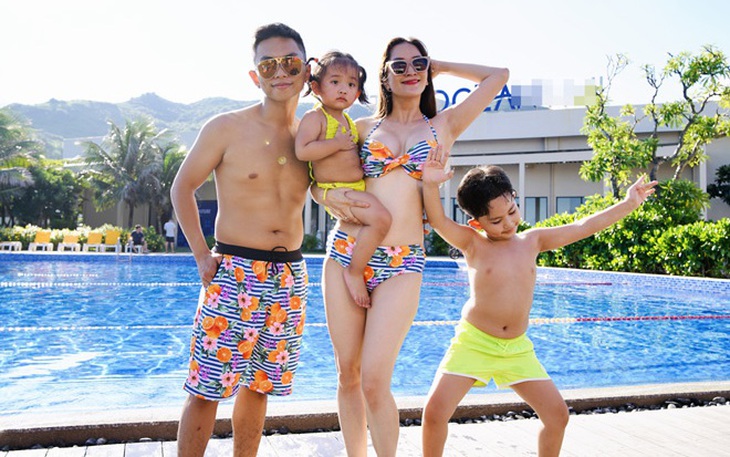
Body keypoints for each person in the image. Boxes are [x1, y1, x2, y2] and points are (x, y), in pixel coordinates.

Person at [311, 37, 509, 456]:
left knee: (374, 379)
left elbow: (498, 77)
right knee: (348, 374)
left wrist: (440, 64)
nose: (410, 71)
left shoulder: (444, 126)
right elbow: (314, 181)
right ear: (384, 76)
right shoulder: (359, 128)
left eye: (418, 64)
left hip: (403, 262)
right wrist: (330, 197)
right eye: (398, 66)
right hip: (346, 251)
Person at [420, 157, 658, 457]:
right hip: (475, 342)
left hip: (516, 348)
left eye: (512, 211)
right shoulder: (472, 243)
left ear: (515, 200)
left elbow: (583, 226)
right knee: (434, 413)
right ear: (476, 223)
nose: (508, 223)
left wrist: (629, 204)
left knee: (557, 416)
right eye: (496, 221)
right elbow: (439, 221)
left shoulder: (532, 241)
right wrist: (430, 184)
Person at [170, 23, 311, 457]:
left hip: (290, 275)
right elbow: (182, 188)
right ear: (255, 76)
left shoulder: (313, 137)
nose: (280, 72)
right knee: (206, 387)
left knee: (260, 386)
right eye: (268, 65)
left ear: (306, 70)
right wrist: (201, 256)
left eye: (290, 63)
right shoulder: (226, 127)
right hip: (234, 271)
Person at [295, 51, 390, 307]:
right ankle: (354, 271)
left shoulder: (348, 120)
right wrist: (335, 144)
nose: (343, 89)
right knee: (381, 219)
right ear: (316, 87)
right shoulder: (316, 117)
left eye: (350, 84)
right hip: (339, 190)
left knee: (376, 221)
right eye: (335, 82)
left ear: (357, 92)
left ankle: (360, 265)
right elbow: (302, 151)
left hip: (354, 188)